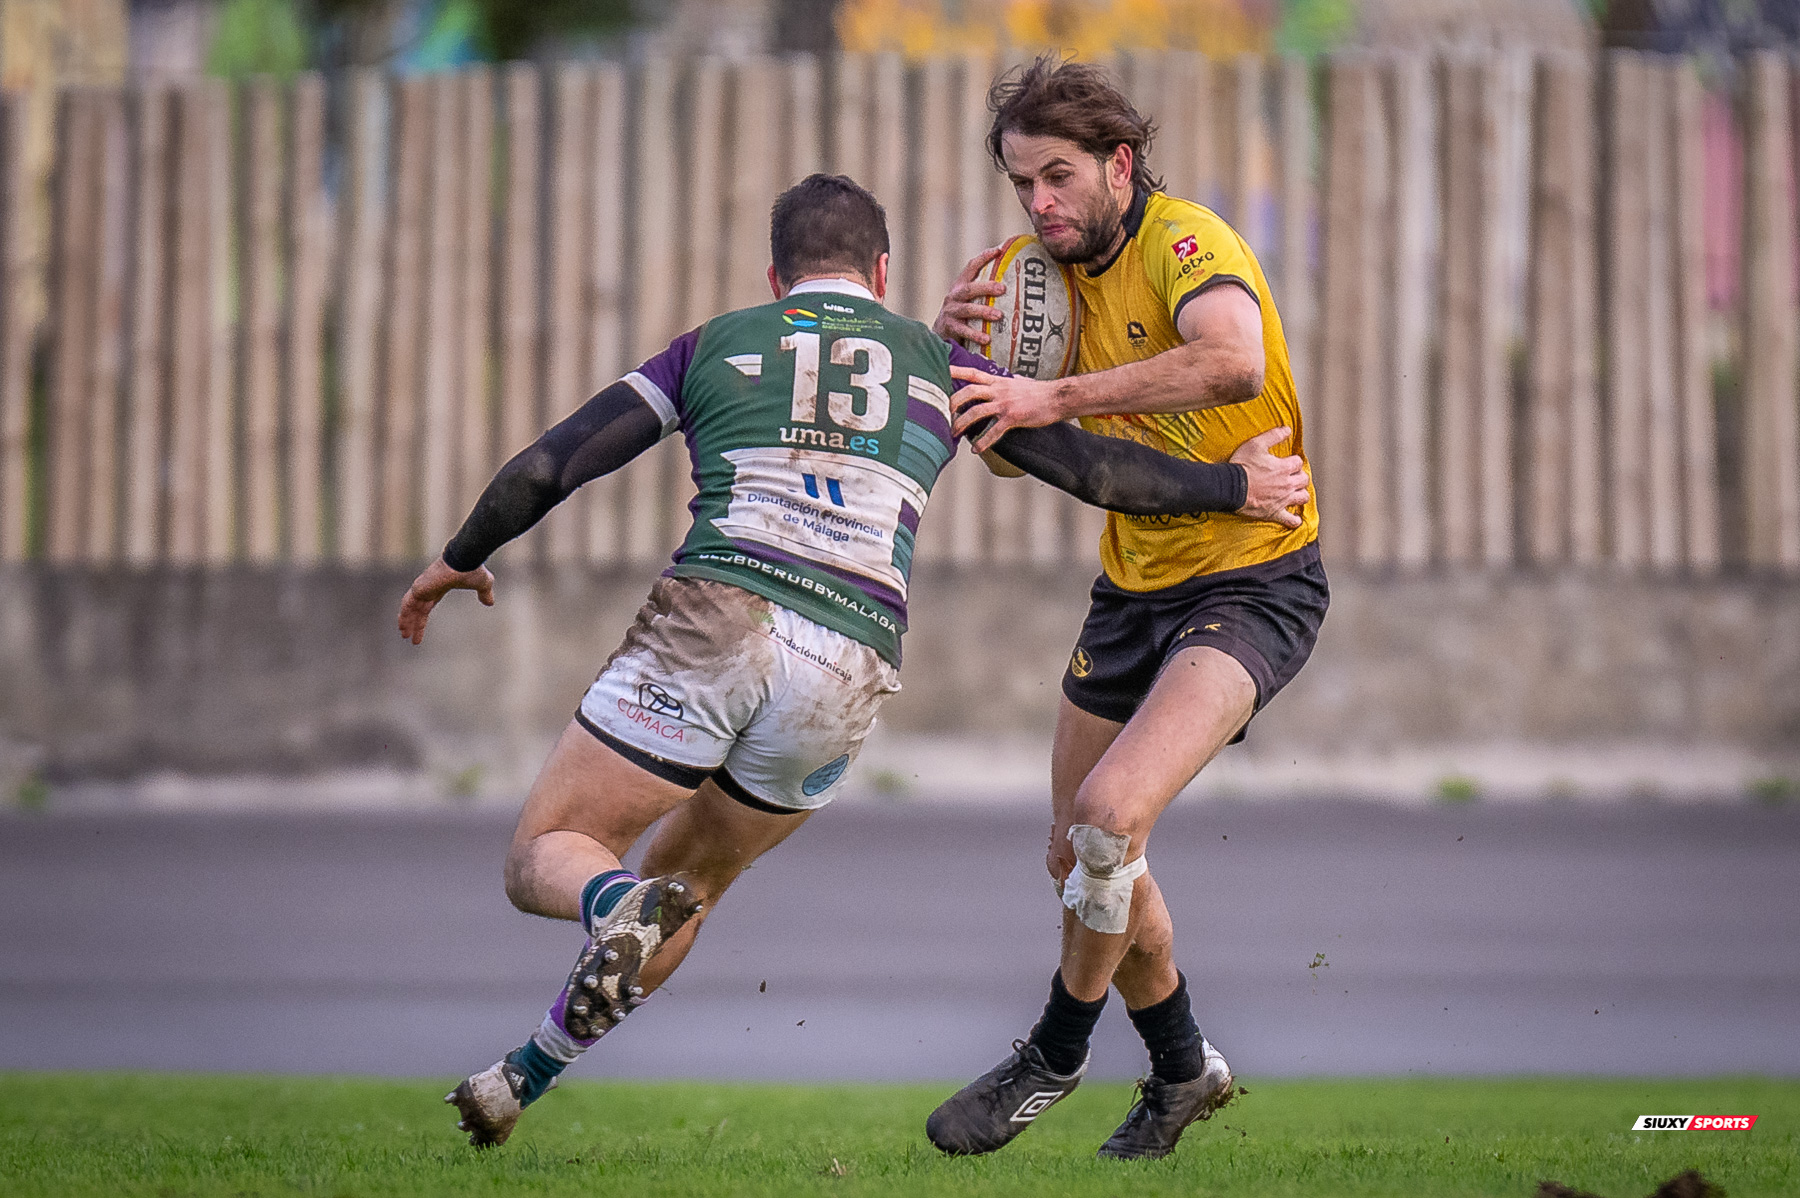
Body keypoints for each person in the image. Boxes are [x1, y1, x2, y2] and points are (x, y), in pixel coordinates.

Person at [395, 173, 1311, 1149]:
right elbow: (1097, 472)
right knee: (687, 888)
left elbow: (556, 462)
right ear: (881, 273)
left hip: (722, 615)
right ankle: (519, 1079)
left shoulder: (716, 344)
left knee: (551, 852)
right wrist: (1234, 487)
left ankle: (611, 902)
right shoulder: (939, 367)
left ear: (776, 277)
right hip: (850, 661)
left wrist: (458, 557)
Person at [924, 57, 1326, 1161]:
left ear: (1120, 163)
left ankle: (1055, 1051)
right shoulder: (1030, 279)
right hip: (1132, 588)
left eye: (1058, 176)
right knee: (1080, 855)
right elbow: (1005, 450)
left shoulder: (1185, 242)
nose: (1039, 203)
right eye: (1021, 184)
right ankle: (1185, 1066)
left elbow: (1234, 360)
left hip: (1255, 575)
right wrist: (963, 358)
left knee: (1110, 818)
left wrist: (1050, 393)